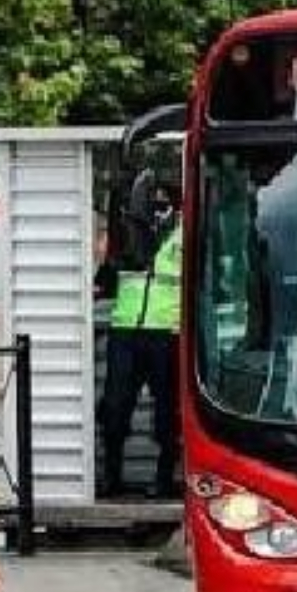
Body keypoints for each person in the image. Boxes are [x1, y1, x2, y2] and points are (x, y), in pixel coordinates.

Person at [96, 166, 184, 500]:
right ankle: (111, 478)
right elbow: (108, 271)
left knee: (167, 410)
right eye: (153, 198)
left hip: (167, 329)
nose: (157, 203)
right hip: (126, 327)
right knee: (115, 407)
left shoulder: (184, 229)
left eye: (164, 199)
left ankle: (164, 480)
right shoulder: (131, 228)